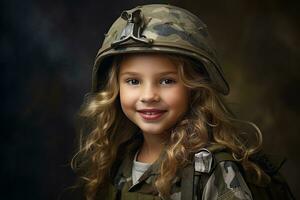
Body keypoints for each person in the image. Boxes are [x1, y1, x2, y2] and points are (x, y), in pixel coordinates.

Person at [71, 4, 268, 200]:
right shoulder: (117, 162)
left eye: (167, 81)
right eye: (133, 81)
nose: (148, 96)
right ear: (116, 88)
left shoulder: (210, 170)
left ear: (194, 88)